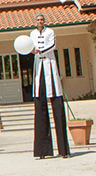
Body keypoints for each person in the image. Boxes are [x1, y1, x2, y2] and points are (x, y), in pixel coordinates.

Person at [30, 14, 70, 159]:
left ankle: (63, 150)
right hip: (38, 67)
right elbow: (30, 46)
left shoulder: (50, 32)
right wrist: (33, 50)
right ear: (35, 22)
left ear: (44, 21)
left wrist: (42, 50)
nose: (40, 22)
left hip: (49, 64)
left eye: (42, 20)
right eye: (38, 20)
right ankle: (42, 151)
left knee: (57, 107)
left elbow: (52, 45)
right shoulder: (32, 34)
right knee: (40, 107)